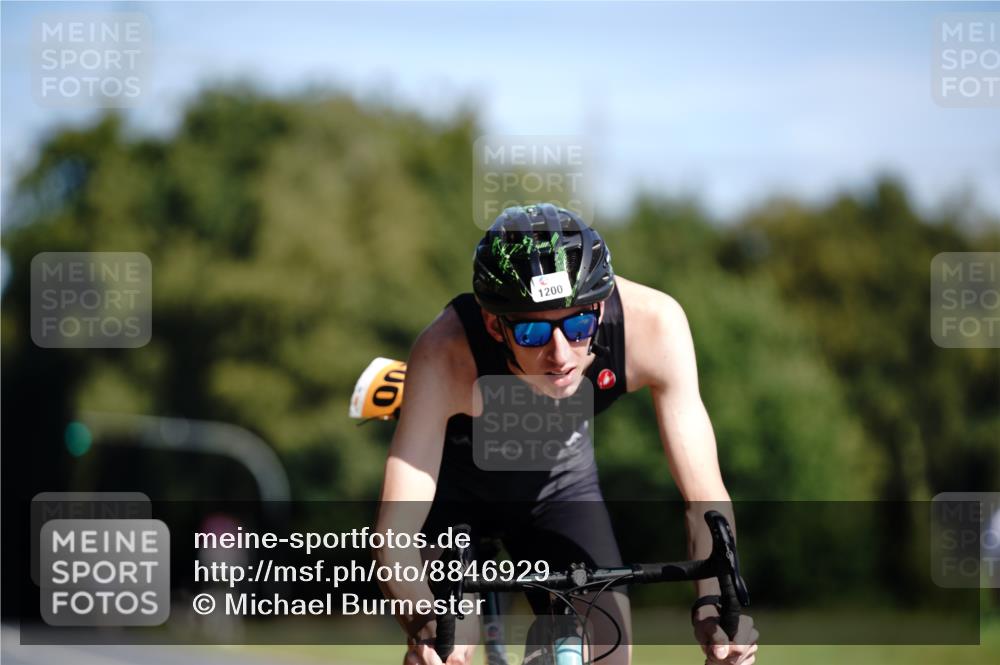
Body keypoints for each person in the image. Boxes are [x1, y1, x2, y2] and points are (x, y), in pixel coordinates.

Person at [372, 204, 758, 665]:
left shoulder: (653, 326)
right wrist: (424, 624)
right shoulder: (444, 353)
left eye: (577, 326)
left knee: (608, 651)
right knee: (453, 643)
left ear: (598, 306)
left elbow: (704, 496)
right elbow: (394, 532)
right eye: (534, 332)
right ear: (495, 324)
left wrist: (714, 607)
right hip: (456, 496)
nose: (561, 355)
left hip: (560, 483)